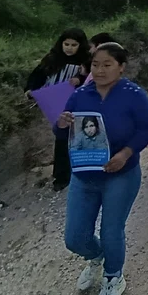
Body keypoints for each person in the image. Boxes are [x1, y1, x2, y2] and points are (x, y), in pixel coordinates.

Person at [57, 43, 148, 295]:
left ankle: (113, 278)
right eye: (96, 64)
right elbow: (61, 129)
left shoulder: (133, 95)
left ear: (121, 67)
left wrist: (125, 154)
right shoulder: (79, 95)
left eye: (107, 64)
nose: (100, 70)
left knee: (112, 230)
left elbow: (147, 128)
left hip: (120, 174)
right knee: (75, 237)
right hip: (84, 175)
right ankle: (96, 256)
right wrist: (61, 123)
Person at [26, 28, 92, 192]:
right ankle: (61, 176)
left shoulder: (87, 61)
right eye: (66, 44)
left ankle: (84, 169)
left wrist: (80, 79)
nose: (69, 48)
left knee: (81, 135)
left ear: (80, 45)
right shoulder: (52, 58)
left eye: (74, 44)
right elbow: (37, 76)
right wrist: (30, 90)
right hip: (56, 105)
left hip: (80, 103)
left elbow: (93, 78)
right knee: (62, 137)